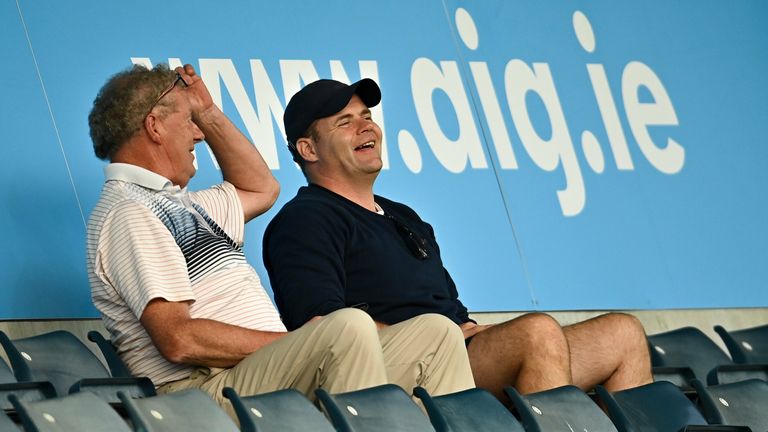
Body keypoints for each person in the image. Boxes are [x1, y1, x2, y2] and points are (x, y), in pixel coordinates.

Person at [85, 64, 475, 416]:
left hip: (255, 373)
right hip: (200, 394)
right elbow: (178, 340)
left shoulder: (183, 205)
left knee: (436, 334)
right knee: (347, 328)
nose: (199, 135)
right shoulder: (130, 211)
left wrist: (208, 111)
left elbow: (261, 188)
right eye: (189, 121)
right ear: (154, 127)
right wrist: (296, 344)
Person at [263, 78, 653, 400]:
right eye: (345, 122)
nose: (367, 127)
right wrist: (442, 335)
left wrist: (467, 329)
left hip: (462, 353)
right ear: (308, 148)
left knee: (623, 334)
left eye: (366, 116)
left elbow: (453, 311)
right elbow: (322, 330)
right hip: (405, 368)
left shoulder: (404, 215)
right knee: (536, 333)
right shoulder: (305, 220)